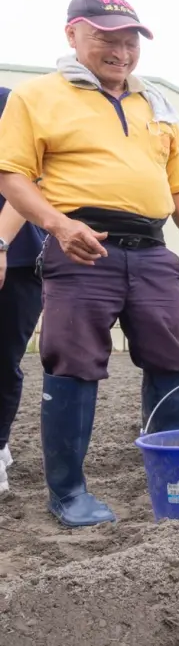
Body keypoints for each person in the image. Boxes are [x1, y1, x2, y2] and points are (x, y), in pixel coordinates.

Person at [0, 0, 179, 527]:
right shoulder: (37, 97)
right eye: (105, 38)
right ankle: (68, 493)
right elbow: (13, 176)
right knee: (73, 364)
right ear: (72, 35)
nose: (121, 51)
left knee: (171, 362)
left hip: (151, 250)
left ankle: (176, 478)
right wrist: (56, 224)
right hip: (81, 246)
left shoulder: (155, 104)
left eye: (129, 41)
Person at [0, 87, 48, 495]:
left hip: (14, 259)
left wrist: (0, 243)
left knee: (2, 358)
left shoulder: (10, 103)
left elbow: (29, 175)